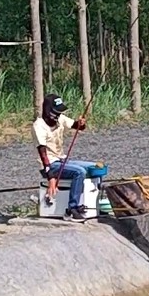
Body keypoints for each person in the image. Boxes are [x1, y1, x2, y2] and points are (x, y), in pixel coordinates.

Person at [32, 93, 99, 221]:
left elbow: (77, 126)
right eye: (56, 112)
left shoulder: (60, 118)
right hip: (50, 165)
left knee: (94, 167)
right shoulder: (38, 126)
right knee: (79, 172)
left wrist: (81, 123)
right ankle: (71, 210)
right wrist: (50, 176)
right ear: (48, 111)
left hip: (61, 160)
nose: (58, 115)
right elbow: (42, 153)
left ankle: (90, 205)